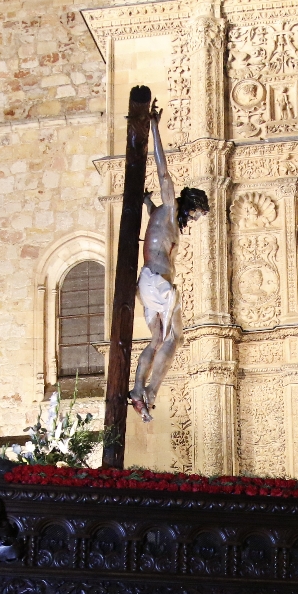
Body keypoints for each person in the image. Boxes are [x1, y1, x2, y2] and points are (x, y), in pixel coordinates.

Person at [129, 110, 209, 422]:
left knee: (156, 339)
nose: (194, 219)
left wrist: (147, 202)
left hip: (148, 283)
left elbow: (153, 213)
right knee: (176, 337)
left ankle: (138, 389)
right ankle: (150, 391)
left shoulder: (159, 214)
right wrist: (153, 127)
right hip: (158, 283)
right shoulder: (171, 209)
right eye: (197, 213)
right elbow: (164, 174)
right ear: (191, 206)